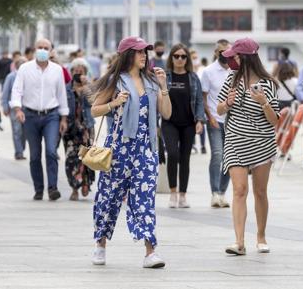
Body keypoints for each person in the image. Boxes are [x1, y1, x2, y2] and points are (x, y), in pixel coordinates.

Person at [90, 36, 172, 268]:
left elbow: (166, 114)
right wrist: (114, 104)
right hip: (119, 149)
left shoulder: (151, 81)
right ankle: (100, 244)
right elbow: (95, 110)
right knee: (109, 198)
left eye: (145, 51)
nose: (144, 55)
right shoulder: (115, 81)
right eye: (138, 52)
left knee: (145, 200)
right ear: (127, 55)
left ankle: (150, 252)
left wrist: (164, 87)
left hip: (146, 149)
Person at [216, 38, 279, 256]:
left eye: (234, 56)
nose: (231, 60)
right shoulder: (231, 80)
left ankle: (261, 236)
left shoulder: (268, 83)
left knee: (260, 191)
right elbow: (219, 109)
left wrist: (263, 102)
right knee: (239, 190)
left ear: (244, 58)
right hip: (234, 140)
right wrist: (227, 103)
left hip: (262, 142)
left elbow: (274, 120)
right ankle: (239, 241)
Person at [10, 39, 69, 201]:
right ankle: (38, 189)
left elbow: (61, 94)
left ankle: (52, 187)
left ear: (51, 51)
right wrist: (17, 109)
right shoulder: (24, 68)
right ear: (34, 50)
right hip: (30, 115)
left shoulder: (57, 70)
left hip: (51, 116)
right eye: (40, 47)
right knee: (35, 155)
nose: (42, 50)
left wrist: (64, 118)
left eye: (46, 48)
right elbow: (17, 90)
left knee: (51, 151)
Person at [161, 43, 205, 209]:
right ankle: (172, 192)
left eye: (183, 56)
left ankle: (183, 195)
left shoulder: (193, 78)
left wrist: (200, 120)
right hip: (169, 122)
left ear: (187, 59)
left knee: (185, 158)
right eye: (176, 56)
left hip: (188, 123)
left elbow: (199, 100)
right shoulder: (165, 76)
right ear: (171, 58)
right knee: (172, 154)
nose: (179, 59)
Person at [201, 39, 231, 208]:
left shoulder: (235, 71)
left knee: (229, 158)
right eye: (222, 52)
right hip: (215, 120)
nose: (226, 55)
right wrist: (210, 117)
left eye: (228, 52)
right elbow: (204, 98)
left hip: (231, 122)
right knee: (217, 155)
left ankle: (222, 192)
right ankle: (214, 193)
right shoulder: (208, 71)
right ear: (216, 53)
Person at [64, 58, 96, 201]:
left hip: (87, 128)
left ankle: (85, 183)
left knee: (87, 157)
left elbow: (94, 101)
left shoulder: (89, 86)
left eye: (81, 71)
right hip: (70, 129)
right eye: (75, 71)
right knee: (71, 158)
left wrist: (87, 85)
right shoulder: (66, 88)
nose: (78, 74)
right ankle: (74, 187)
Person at [2, 58, 27, 160]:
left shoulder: (27, 76)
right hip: (14, 108)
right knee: (17, 130)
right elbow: (5, 92)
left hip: (27, 108)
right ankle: (19, 152)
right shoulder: (11, 76)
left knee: (25, 131)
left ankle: (21, 148)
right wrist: (5, 107)